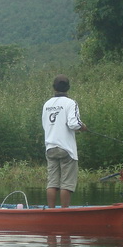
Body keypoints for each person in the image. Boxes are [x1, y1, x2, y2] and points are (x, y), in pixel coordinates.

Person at [42, 75, 87, 208]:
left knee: (52, 182)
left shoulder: (47, 104)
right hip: (66, 148)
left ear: (54, 88)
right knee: (66, 183)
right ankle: (64, 212)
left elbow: (45, 124)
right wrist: (83, 127)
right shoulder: (70, 103)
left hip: (50, 147)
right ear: (68, 88)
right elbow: (74, 124)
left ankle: (51, 211)